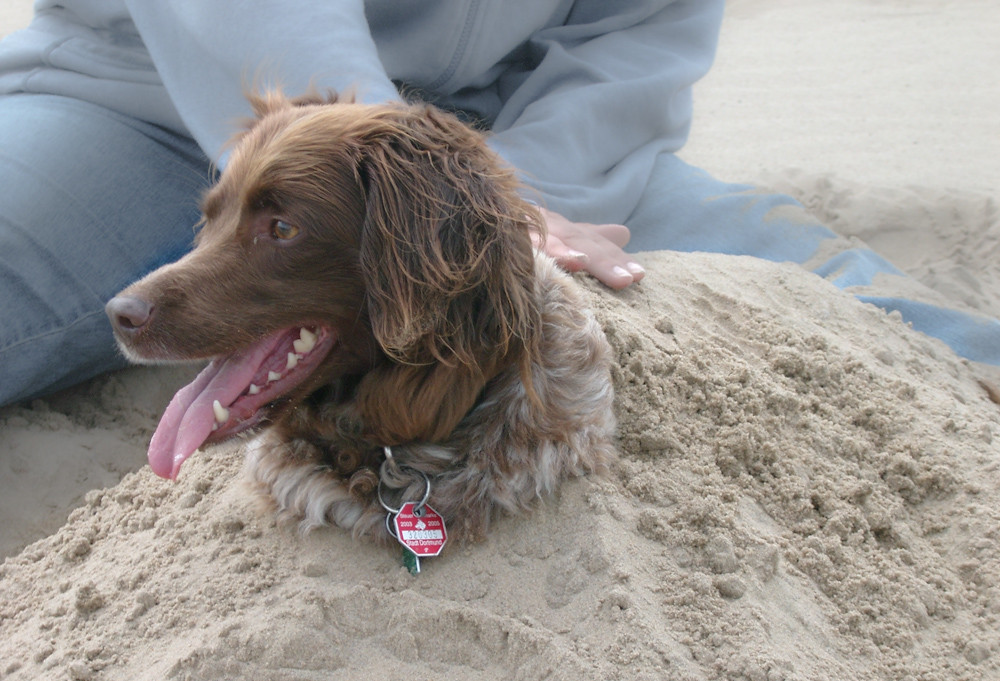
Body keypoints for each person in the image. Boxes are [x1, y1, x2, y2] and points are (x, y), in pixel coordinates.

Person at [0, 1, 996, 409]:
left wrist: (510, 201)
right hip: (136, 91)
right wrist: (433, 187)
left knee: (873, 318)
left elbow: (636, 34)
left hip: (513, 134)